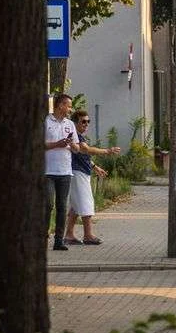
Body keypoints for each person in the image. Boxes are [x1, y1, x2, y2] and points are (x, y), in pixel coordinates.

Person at [63, 110, 121, 246]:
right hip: (77, 173)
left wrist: (95, 167)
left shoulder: (79, 136)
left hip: (81, 171)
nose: (86, 124)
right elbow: (86, 150)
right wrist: (107, 151)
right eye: (83, 121)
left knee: (76, 206)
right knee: (86, 203)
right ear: (75, 123)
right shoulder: (75, 136)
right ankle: (88, 235)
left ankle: (69, 235)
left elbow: (84, 156)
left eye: (88, 121)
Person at [45, 93, 81, 251]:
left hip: (65, 171)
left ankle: (58, 240)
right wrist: (57, 144)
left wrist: (72, 145)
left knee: (61, 207)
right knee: (47, 205)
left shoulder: (70, 124)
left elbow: (78, 148)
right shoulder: (46, 121)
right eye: (68, 105)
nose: (70, 108)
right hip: (47, 171)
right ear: (60, 105)